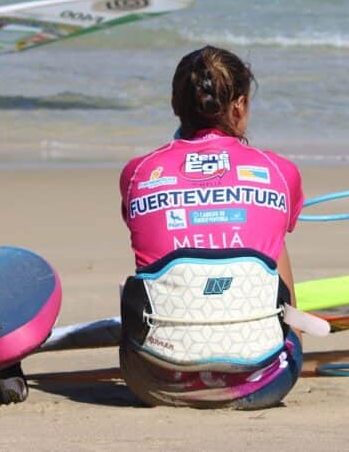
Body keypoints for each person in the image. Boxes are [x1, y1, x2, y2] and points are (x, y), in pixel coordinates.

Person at [117, 45, 305, 409]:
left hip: (153, 381)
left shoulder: (138, 172)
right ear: (240, 105)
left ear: (175, 105)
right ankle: (288, 335)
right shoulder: (281, 172)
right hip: (266, 381)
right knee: (271, 238)